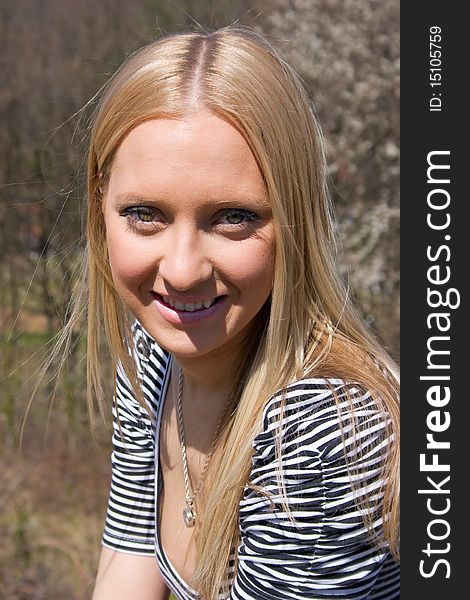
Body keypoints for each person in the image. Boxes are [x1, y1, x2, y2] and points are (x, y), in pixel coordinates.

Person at [77, 25, 400, 600]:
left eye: (233, 217)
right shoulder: (154, 356)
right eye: (145, 213)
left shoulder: (316, 435)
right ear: (101, 204)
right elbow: (126, 564)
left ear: (294, 220)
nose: (181, 271)